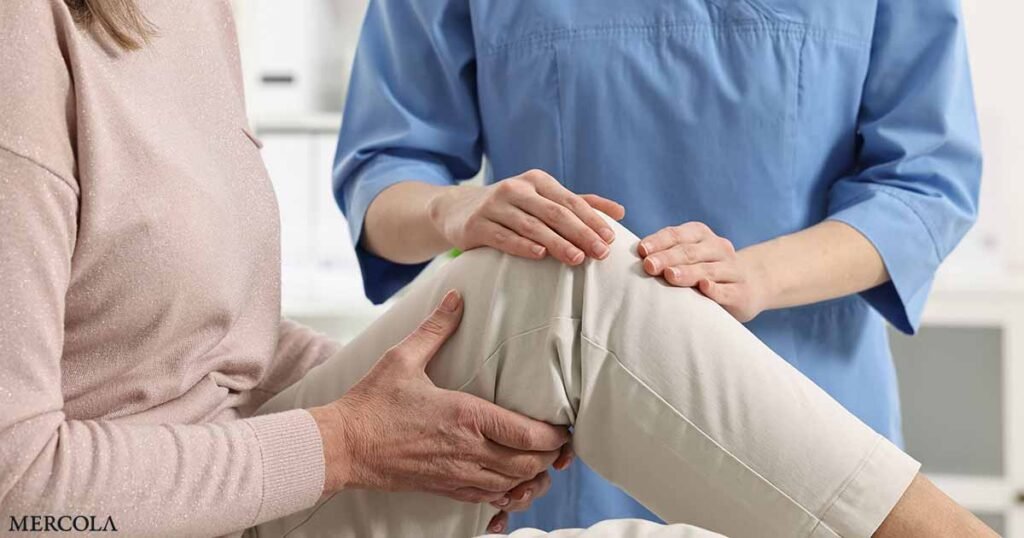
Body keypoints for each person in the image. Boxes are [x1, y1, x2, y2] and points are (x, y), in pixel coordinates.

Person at [0, 1, 993, 538]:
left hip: (800, 381)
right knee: (571, 268)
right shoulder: (30, 47)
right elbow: (29, 495)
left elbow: (926, 182)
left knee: (571, 279)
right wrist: (351, 434)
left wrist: (758, 276)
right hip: (538, 429)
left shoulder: (179, 18)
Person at [333, 0, 982, 530]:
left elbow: (926, 186)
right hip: (559, 447)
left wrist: (757, 275)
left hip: (805, 406)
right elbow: (382, 173)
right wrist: (452, 209)